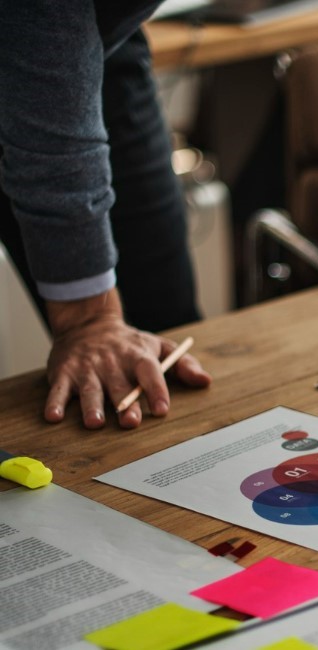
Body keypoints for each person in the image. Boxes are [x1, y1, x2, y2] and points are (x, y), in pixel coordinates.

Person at [0, 2, 211, 430]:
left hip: (99, 41)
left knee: (167, 342)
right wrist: (88, 320)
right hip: (37, 33)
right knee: (96, 340)